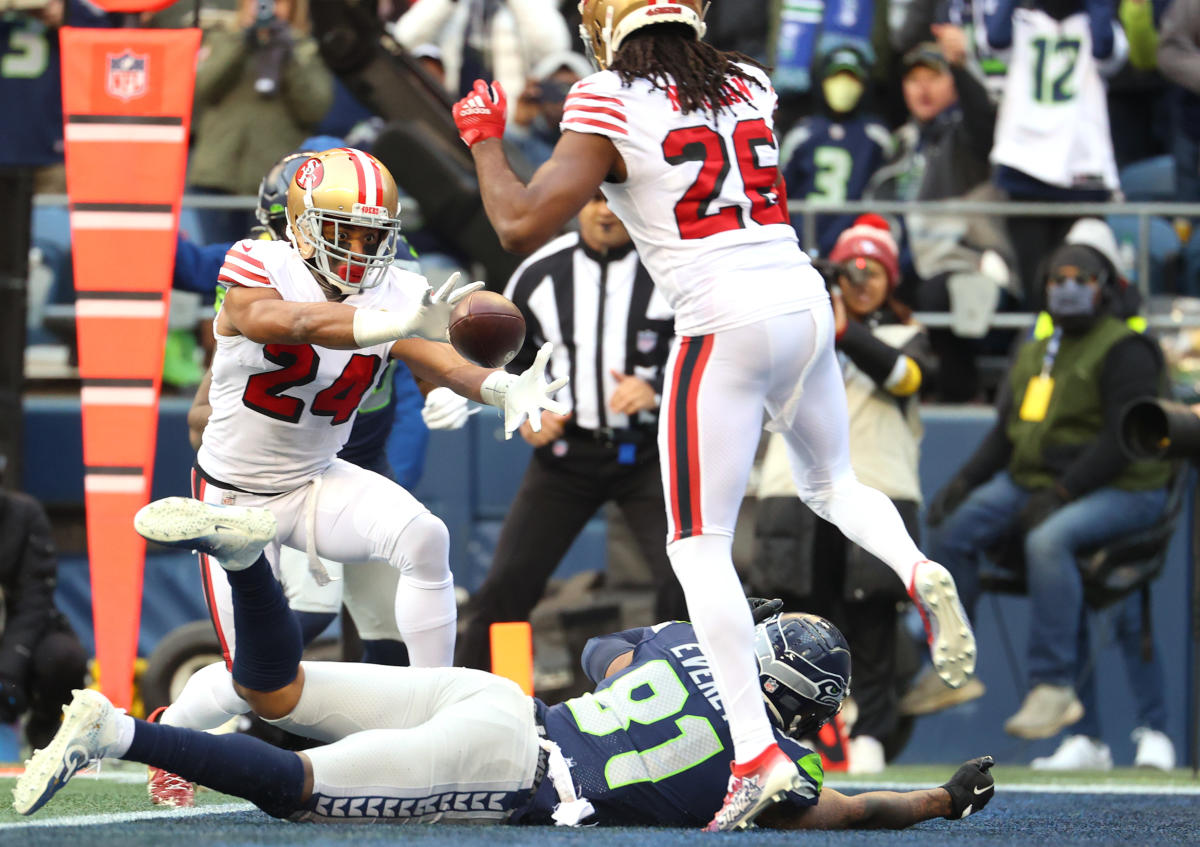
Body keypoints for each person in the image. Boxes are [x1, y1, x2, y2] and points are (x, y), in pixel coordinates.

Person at [449, 0, 976, 830]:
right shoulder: (750, 81)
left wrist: (483, 135)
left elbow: (518, 223)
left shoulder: (608, 96)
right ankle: (916, 569)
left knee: (696, 546)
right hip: (803, 299)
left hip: (720, 319)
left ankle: (756, 754)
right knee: (833, 483)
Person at [14, 505, 998, 828]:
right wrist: (937, 801)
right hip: (511, 772)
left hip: (497, 700)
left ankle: (245, 559)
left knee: (278, 691)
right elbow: (847, 810)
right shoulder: (762, 768)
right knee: (299, 789)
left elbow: (614, 652)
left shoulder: (688, 645)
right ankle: (121, 729)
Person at [138, 145, 566, 794]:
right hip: (232, 498)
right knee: (261, 680)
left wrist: (500, 388)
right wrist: (386, 321)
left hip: (316, 479)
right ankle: (172, 736)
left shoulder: (391, 283)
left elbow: (442, 359)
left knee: (426, 538)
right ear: (303, 225)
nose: (365, 248)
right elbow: (288, 320)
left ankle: (440, 722)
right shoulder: (259, 260)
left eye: (376, 233)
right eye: (348, 231)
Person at [922, 222, 1172, 747]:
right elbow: (1006, 432)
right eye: (1057, 277)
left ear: (1104, 286)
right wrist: (964, 481)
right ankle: (948, 664)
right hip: (1037, 480)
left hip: (1126, 487)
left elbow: (1121, 440)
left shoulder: (1127, 347)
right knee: (953, 529)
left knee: (1048, 538)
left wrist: (1060, 496)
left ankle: (1053, 684)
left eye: (1080, 277)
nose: (1067, 286)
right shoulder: (1037, 345)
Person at [455, 192, 683, 671]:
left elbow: (710, 348)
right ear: (577, 202)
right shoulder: (540, 272)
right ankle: (485, 701)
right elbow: (503, 358)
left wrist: (658, 387)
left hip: (647, 453)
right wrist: (522, 407)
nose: (603, 210)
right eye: (593, 198)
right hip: (565, 455)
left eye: (614, 199)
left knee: (685, 579)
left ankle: (687, 705)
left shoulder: (670, 267)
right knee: (506, 585)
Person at [753, 216, 936, 774]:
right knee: (796, 618)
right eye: (850, 269)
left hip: (877, 488)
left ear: (892, 278)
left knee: (874, 621)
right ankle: (797, 735)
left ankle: (872, 735)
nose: (860, 281)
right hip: (793, 490)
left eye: (873, 270)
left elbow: (907, 376)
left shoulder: (908, 335)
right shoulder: (797, 326)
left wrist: (844, 330)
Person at [865, 41, 1009, 402]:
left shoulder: (969, 136)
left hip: (968, 261)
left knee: (937, 293)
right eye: (914, 79)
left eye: (934, 77)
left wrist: (961, 68)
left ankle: (959, 394)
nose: (923, 88)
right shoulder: (901, 140)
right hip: (906, 260)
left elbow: (984, 122)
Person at [188, 0, 334, 242]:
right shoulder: (223, 38)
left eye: (278, 2)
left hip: (276, 186)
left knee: (269, 267)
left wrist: (288, 56)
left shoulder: (304, 47)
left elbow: (315, 109)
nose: (268, 9)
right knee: (219, 265)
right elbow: (200, 91)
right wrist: (241, 44)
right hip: (217, 176)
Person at [0, 481, 89, 751]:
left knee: (63, 657)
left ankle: (44, 725)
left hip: (17, 635)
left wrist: (7, 673)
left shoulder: (24, 514)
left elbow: (34, 599)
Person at [779, 47, 893, 256]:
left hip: (856, 246)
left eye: (851, 78)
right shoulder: (804, 133)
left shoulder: (876, 136)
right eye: (836, 77)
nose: (843, 85)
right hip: (802, 243)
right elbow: (781, 191)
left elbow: (885, 192)